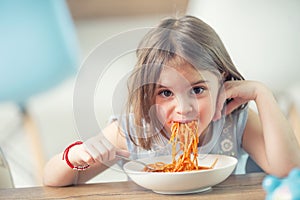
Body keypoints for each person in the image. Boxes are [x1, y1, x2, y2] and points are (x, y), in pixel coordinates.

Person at [43, 15, 300, 187]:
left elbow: (287, 170)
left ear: (222, 81)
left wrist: (261, 93)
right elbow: (53, 180)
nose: (183, 108)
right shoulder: (134, 130)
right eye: (165, 93)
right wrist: (75, 155)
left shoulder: (234, 121)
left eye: (198, 90)